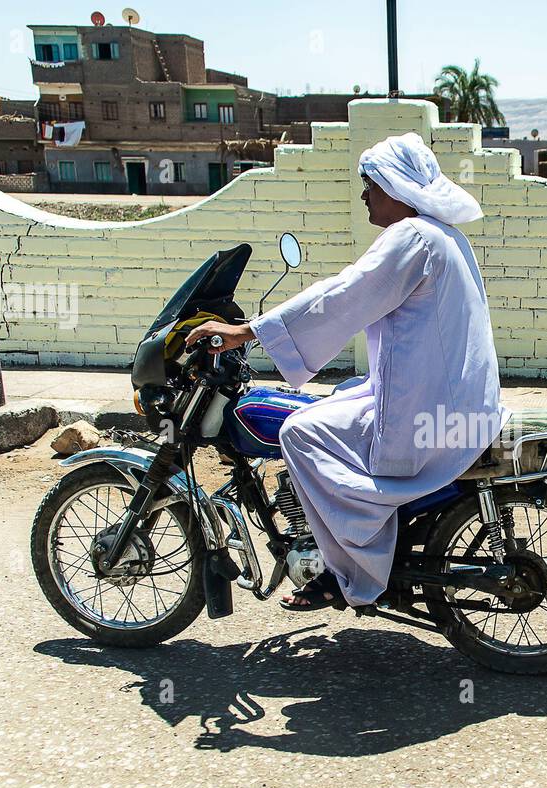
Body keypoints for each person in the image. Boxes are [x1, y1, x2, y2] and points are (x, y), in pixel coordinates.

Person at [184, 132, 507, 611]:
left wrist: (245, 332)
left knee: (298, 433)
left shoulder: (413, 237)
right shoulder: (444, 236)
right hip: (451, 401)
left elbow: (343, 296)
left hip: (425, 411)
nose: (363, 196)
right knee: (334, 400)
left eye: (370, 186)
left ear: (395, 188)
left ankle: (348, 569)